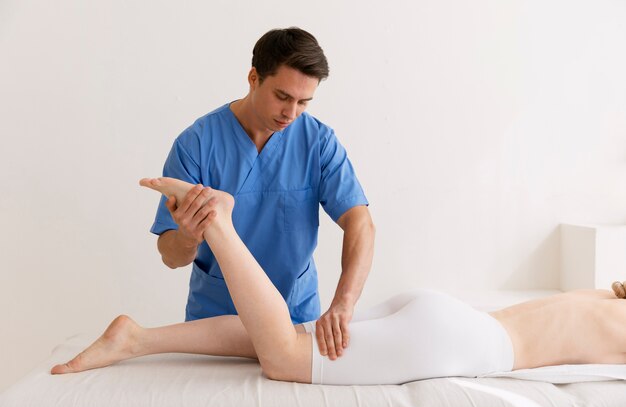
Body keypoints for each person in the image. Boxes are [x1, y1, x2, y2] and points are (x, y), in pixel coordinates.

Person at [51, 177, 626, 385]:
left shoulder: (609, 292)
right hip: (467, 345)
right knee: (284, 355)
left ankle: (137, 338)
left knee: (291, 334)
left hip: (454, 317)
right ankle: (220, 227)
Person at [152, 27, 374, 362]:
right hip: (215, 322)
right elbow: (171, 257)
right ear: (253, 78)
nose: (291, 113)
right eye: (283, 97)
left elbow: (361, 223)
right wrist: (187, 235)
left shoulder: (318, 142)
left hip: (295, 319)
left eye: (304, 102)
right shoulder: (196, 144)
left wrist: (344, 304)